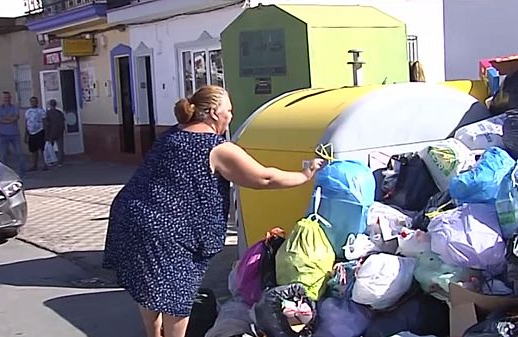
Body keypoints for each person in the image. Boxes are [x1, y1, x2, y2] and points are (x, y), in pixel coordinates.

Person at [102, 85, 325, 337]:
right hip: (167, 230)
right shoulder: (216, 148)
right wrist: (305, 175)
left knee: (151, 287)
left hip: (130, 216)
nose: (230, 115)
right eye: (228, 110)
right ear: (214, 113)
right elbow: (264, 178)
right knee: (177, 296)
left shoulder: (172, 135)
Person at [0, 91, 25, 174]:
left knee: (19, 154)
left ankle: (22, 173)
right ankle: (3, 173)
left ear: (10, 98)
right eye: (5, 98)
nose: (6, 99)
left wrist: (5, 119)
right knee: (3, 156)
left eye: (8, 97)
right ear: (2, 99)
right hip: (3, 135)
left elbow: (15, 118)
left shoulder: (14, 107)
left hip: (14, 134)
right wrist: (9, 119)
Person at [25, 97, 48, 171]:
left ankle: (45, 164)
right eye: (31, 101)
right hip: (31, 133)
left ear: (37, 102)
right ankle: (34, 165)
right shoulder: (28, 112)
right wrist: (26, 134)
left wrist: (46, 133)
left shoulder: (41, 111)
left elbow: (44, 122)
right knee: (33, 150)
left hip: (40, 132)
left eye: (34, 101)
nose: (33, 103)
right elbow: (26, 123)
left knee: (42, 149)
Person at [45, 99, 66, 165]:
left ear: (50, 105)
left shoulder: (48, 113)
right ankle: (60, 161)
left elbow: (47, 124)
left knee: (49, 147)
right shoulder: (59, 112)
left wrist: (46, 133)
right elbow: (63, 122)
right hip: (59, 131)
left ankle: (50, 161)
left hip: (51, 132)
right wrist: (63, 129)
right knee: (60, 147)